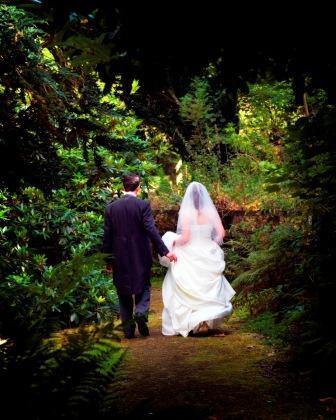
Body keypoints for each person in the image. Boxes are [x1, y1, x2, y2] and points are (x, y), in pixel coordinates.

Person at [102, 173, 177, 339]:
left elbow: (107, 237)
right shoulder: (142, 205)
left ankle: (128, 331)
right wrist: (165, 251)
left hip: (119, 257)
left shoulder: (111, 208)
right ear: (138, 188)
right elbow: (151, 230)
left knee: (123, 292)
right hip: (140, 254)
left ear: (123, 188)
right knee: (143, 286)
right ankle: (141, 312)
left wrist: (108, 260)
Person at [159, 181, 235, 337]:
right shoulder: (210, 211)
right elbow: (221, 233)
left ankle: (196, 322)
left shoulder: (187, 212)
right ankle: (205, 322)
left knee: (192, 286)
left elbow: (185, 238)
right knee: (207, 288)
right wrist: (212, 244)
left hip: (192, 251)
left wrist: (173, 240)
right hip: (208, 250)